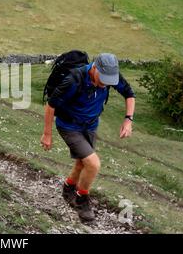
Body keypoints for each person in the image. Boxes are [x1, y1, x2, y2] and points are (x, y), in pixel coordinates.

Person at [40, 53, 135, 221]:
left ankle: (68, 188)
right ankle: (81, 199)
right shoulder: (74, 79)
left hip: (90, 125)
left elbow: (129, 94)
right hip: (69, 126)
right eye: (103, 79)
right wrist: (47, 134)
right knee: (93, 164)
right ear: (95, 68)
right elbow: (51, 105)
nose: (105, 83)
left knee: (82, 162)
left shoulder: (112, 76)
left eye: (109, 80)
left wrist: (128, 120)